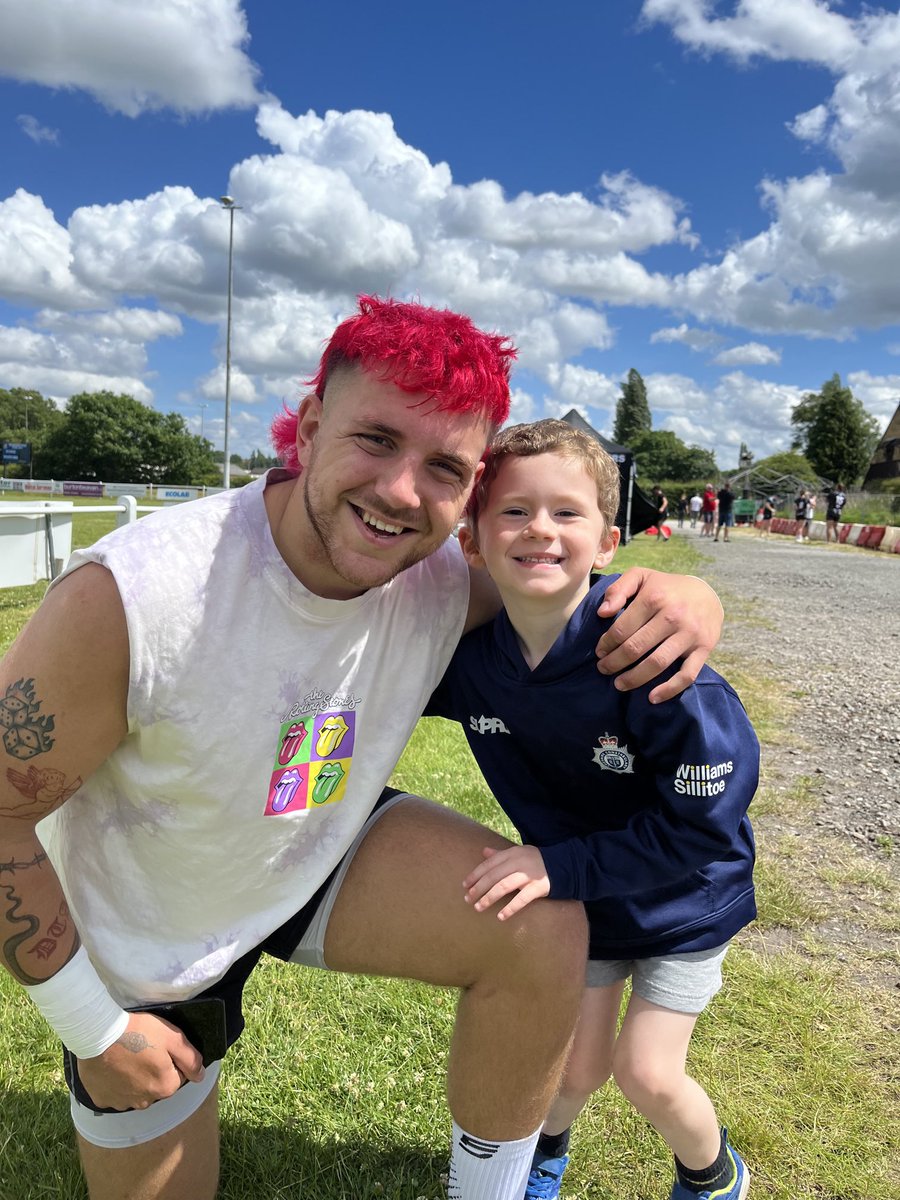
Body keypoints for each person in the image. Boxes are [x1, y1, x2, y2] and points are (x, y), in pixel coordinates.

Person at [0, 296, 726, 1200]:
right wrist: (95, 1031)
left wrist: (683, 595)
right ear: (308, 428)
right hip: (150, 922)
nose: (400, 492)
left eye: (445, 468)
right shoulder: (135, 597)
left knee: (541, 922)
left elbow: (559, 573)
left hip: (312, 848)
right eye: (376, 440)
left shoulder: (441, 578)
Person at [428, 419, 756, 1200]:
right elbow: (366, 677)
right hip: (584, 899)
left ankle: (712, 1175)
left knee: (645, 1070)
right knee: (570, 1068)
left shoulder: (656, 661)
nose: (539, 528)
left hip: (685, 901)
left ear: (608, 542)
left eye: (566, 513)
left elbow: (699, 830)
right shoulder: (471, 663)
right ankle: (541, 1157)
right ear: (471, 540)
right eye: (512, 511)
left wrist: (557, 863)